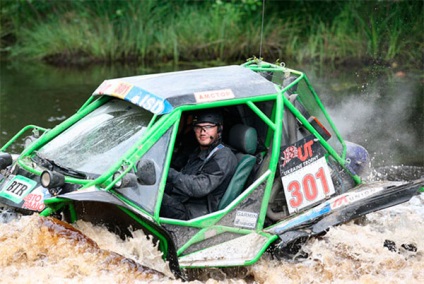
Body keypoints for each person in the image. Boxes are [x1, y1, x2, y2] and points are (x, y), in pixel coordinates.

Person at [160, 110, 238, 220]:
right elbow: (184, 178)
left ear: (219, 129)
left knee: (150, 196)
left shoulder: (223, 156)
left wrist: (167, 172)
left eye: (209, 127)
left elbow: (200, 187)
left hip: (194, 214)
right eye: (198, 127)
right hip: (182, 200)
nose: (202, 132)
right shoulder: (199, 152)